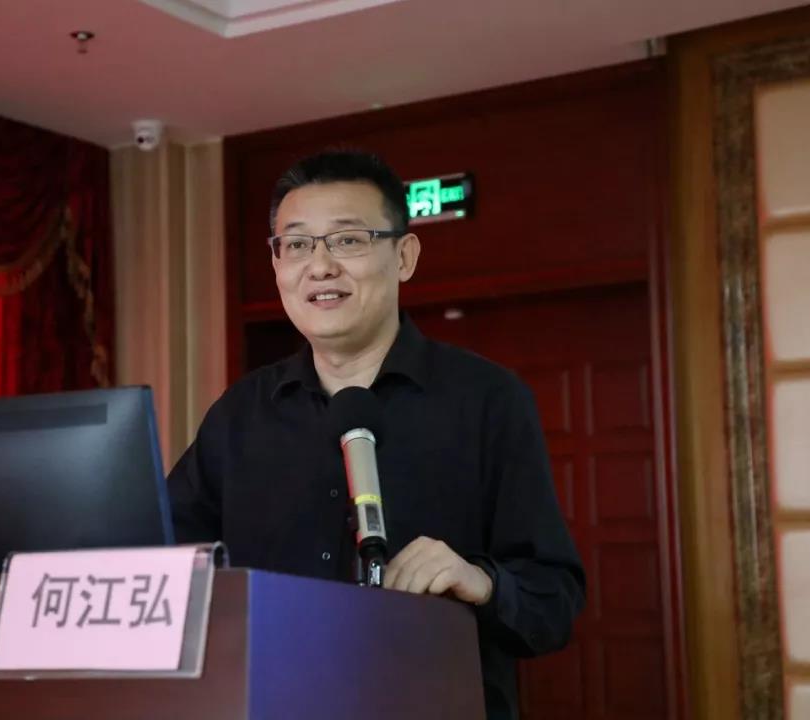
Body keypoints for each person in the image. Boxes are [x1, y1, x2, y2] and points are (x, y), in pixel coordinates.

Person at [167, 150, 585, 719]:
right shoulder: (240, 413)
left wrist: (481, 582)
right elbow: (166, 557)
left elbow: (554, 602)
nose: (319, 266)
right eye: (297, 244)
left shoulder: (488, 400)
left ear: (404, 256)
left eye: (347, 240)